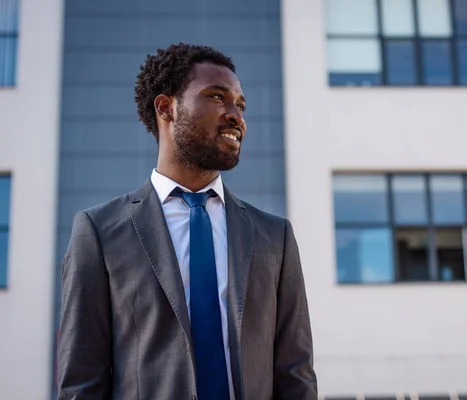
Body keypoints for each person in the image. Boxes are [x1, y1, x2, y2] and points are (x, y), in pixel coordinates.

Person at [57, 43, 317, 399]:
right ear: (167, 108)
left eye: (240, 105)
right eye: (217, 97)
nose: (235, 115)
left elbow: (296, 374)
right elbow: (81, 381)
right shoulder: (98, 232)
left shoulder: (276, 237)